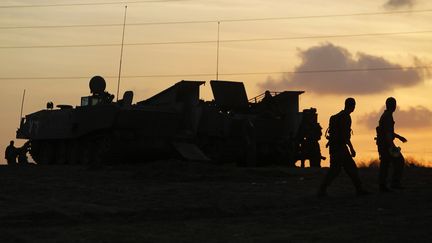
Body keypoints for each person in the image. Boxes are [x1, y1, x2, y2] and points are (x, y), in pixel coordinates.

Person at [317, 98, 369, 197]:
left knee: (342, 169)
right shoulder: (346, 118)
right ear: (352, 106)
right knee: (340, 169)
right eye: (354, 105)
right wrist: (351, 148)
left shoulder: (337, 117)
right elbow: (345, 136)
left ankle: (359, 189)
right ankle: (322, 190)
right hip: (340, 148)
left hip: (335, 147)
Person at [376, 97, 407, 192]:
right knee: (400, 161)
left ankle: (383, 185)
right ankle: (394, 183)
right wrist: (392, 146)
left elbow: (388, 131)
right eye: (394, 104)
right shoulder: (388, 116)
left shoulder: (386, 115)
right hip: (386, 145)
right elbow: (387, 133)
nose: (395, 106)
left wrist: (399, 137)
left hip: (383, 144)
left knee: (385, 164)